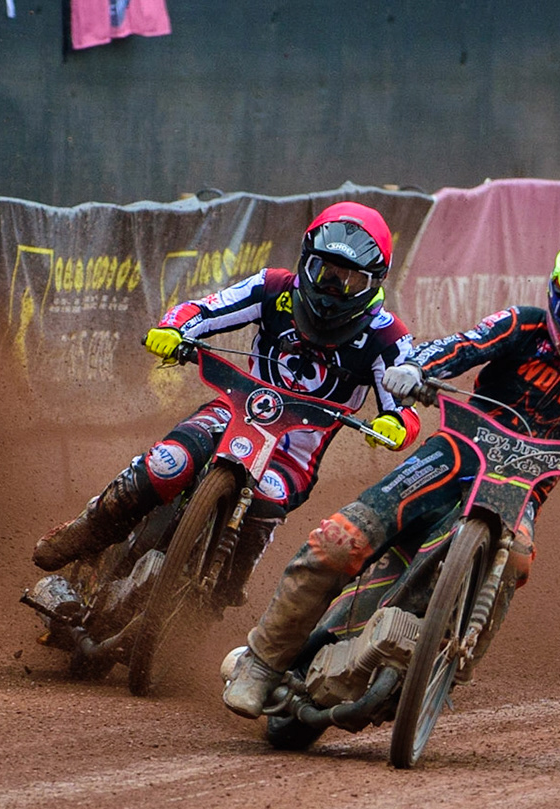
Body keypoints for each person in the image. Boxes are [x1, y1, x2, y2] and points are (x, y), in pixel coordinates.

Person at [221, 233, 560, 716]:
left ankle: (449, 665)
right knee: (337, 541)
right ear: (556, 303)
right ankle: (262, 664)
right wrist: (416, 368)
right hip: (449, 458)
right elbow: (462, 346)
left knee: (516, 561)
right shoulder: (521, 325)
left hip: (519, 494)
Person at [31, 202, 418, 607]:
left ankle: (220, 591)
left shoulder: (386, 335)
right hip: (232, 414)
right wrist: (173, 330)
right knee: (169, 464)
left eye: (350, 280)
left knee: (265, 497)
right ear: (307, 261)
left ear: (374, 282)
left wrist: (395, 425)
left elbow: (404, 407)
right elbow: (204, 309)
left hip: (293, 455)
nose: (334, 287)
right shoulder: (273, 288)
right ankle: (90, 528)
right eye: (326, 271)